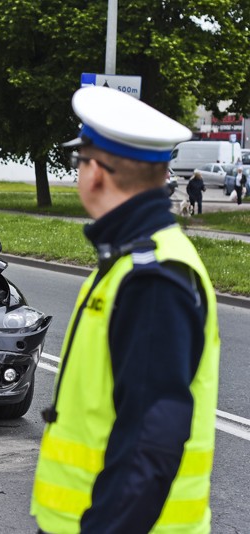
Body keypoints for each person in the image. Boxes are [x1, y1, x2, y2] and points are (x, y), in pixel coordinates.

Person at [31, 86, 220, 534]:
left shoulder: (151, 277)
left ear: (95, 172)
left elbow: (153, 442)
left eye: (78, 162)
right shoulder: (132, 258)